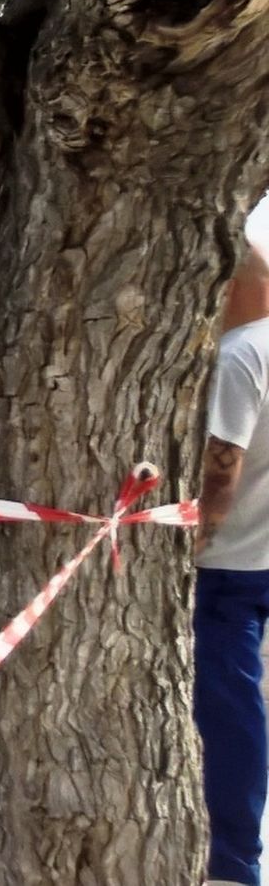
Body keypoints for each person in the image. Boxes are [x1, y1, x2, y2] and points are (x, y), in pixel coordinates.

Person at [194, 242, 269, 886]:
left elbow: (224, 468)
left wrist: (194, 544)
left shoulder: (243, 353)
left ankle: (234, 857)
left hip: (230, 564)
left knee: (228, 705)